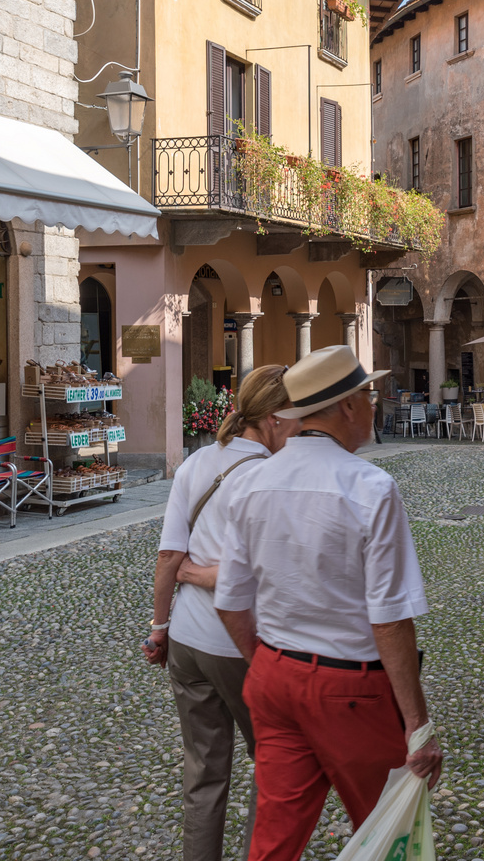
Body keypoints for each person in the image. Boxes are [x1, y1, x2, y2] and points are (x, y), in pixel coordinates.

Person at [213, 346, 443, 861]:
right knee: (389, 830)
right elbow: (389, 617)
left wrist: (268, 664)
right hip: (350, 687)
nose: (374, 407)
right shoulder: (370, 487)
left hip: (274, 675)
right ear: (347, 407)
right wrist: (417, 724)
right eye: (369, 396)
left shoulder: (250, 482)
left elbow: (230, 601)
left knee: (274, 839)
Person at [145, 365, 297, 861]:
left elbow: (170, 557)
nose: (299, 429)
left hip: (187, 641)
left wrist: (160, 628)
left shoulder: (195, 464)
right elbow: (252, 573)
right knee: (275, 761)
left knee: (203, 772)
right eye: (295, 418)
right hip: (241, 643)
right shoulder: (272, 477)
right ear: (272, 420)